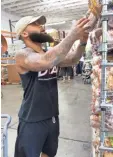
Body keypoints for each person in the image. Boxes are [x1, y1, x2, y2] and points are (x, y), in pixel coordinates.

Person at [14, 15, 89, 157]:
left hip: (52, 116)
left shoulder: (48, 54)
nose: (42, 27)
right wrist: (72, 35)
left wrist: (83, 42)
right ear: (24, 33)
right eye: (36, 24)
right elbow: (45, 61)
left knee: (49, 153)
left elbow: (73, 59)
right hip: (32, 120)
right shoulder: (22, 55)